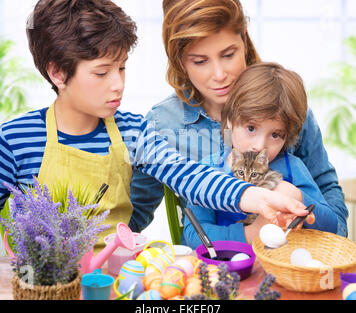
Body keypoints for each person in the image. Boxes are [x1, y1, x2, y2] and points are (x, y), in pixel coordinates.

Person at [0, 0, 309, 251]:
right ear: (57, 73)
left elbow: (187, 175)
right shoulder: (15, 139)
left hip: (116, 279)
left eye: (121, 68)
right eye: (101, 72)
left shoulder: (135, 132)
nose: (118, 84)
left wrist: (257, 197)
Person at [129, 0, 348, 239]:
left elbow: (328, 204)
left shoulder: (284, 104)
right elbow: (133, 217)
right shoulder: (163, 125)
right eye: (200, 61)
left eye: (228, 54)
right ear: (179, 60)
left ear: (244, 39)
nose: (219, 75)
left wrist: (325, 242)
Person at [184, 62, 341, 248]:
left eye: (275, 135)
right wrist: (250, 234)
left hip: (285, 272)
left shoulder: (293, 168)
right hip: (227, 269)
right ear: (230, 121)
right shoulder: (208, 171)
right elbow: (193, 236)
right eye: (251, 128)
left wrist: (298, 197)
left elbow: (332, 227)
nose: (259, 146)